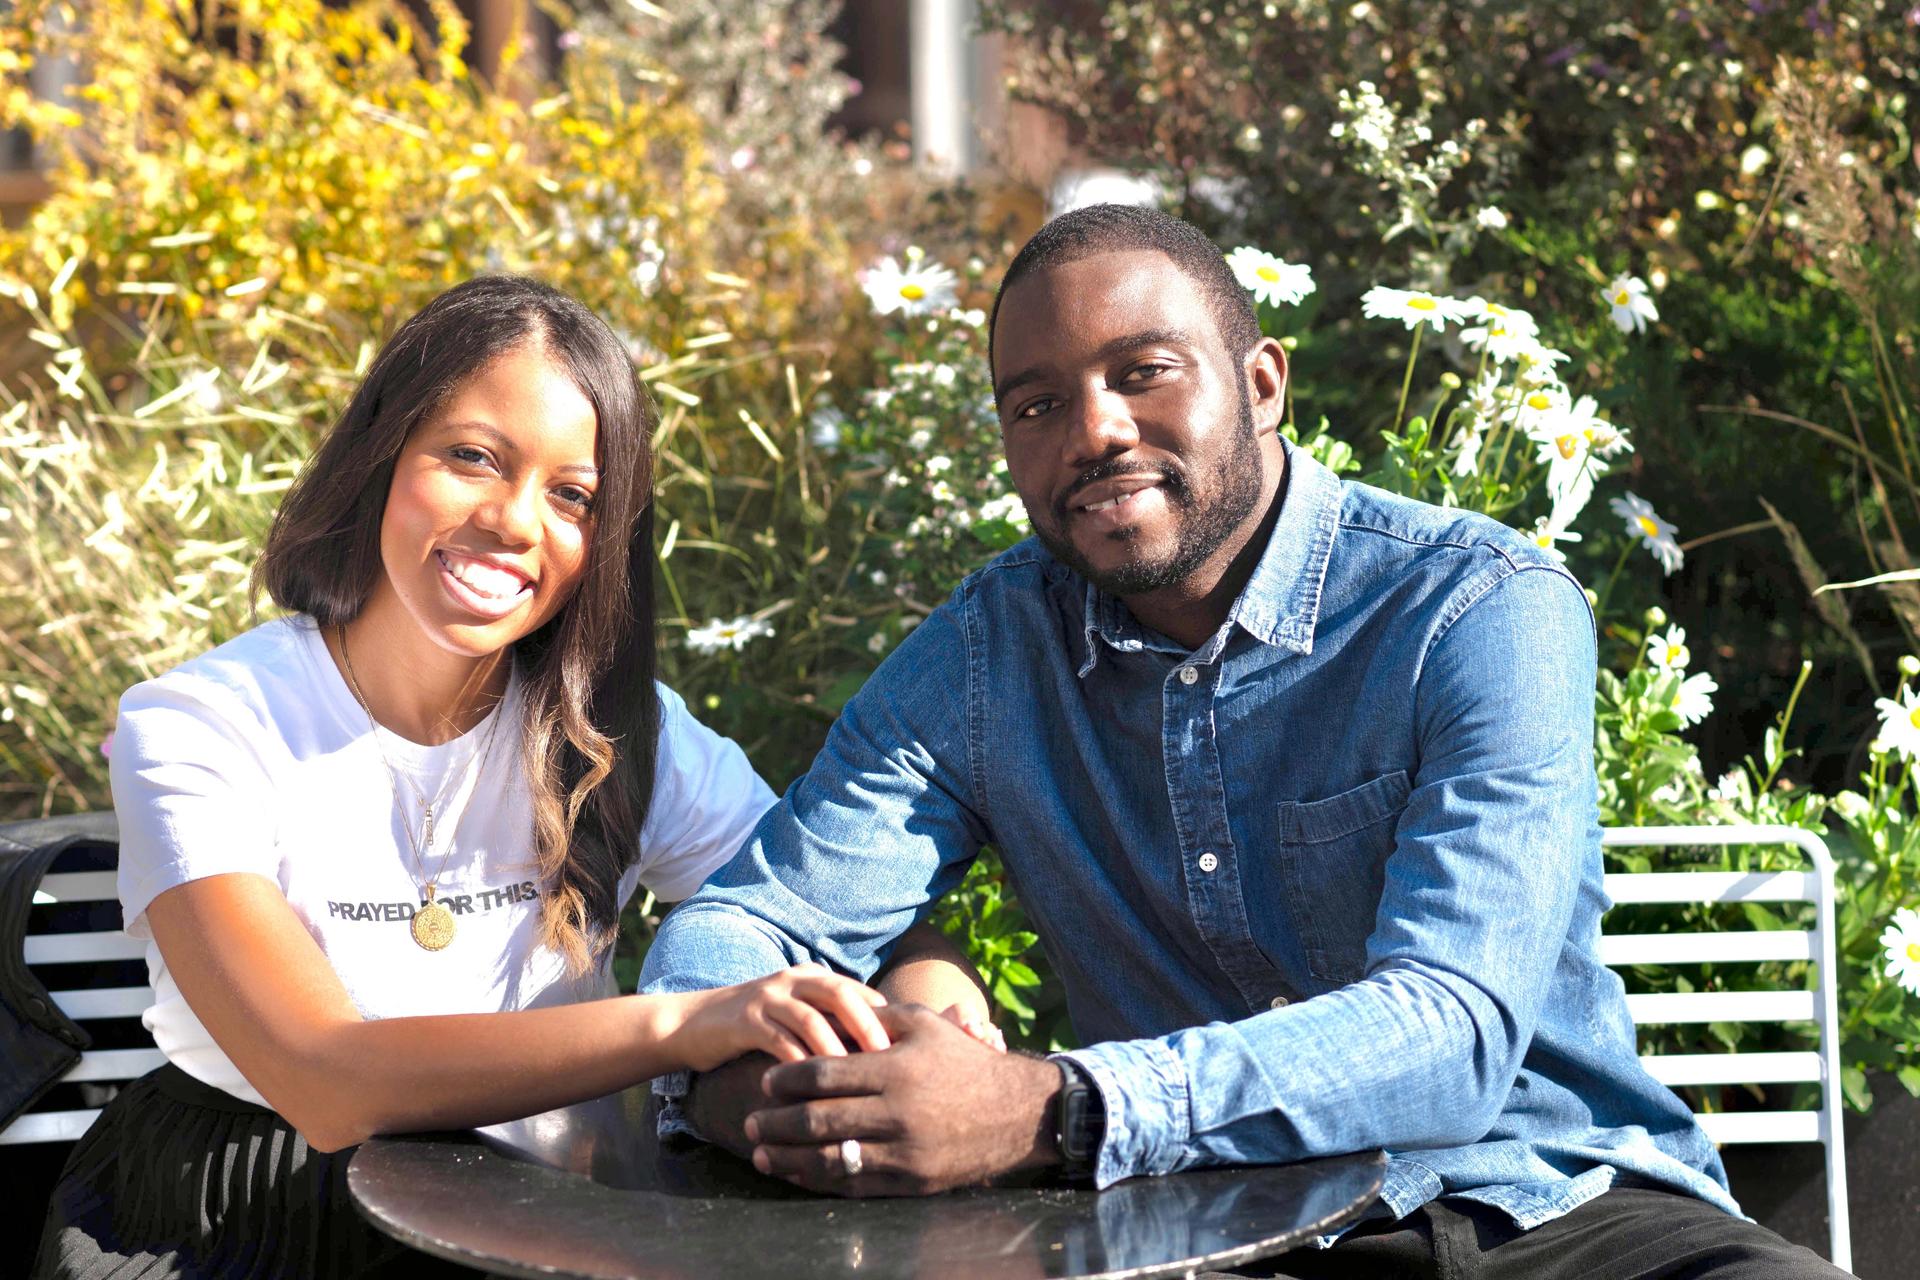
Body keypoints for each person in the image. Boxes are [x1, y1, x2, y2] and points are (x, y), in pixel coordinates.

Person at [637, 206, 1852, 1278]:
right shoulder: (984, 656)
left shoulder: (1477, 608)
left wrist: (1056, 1107)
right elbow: (739, 926)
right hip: (1200, 1236)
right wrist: (793, 1094)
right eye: (1037, 403)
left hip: (1553, 1206)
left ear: (1263, 383)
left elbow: (1454, 1027)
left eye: (1144, 372)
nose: (1093, 431)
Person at [33, 275, 988, 1279]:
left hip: (549, 1215)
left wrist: (931, 988)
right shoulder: (200, 725)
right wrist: (681, 1022)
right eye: (474, 457)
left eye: (572, 495)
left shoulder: (621, 731)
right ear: (382, 453)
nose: (514, 519)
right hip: (250, 1218)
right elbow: (323, 1078)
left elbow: (823, 916)